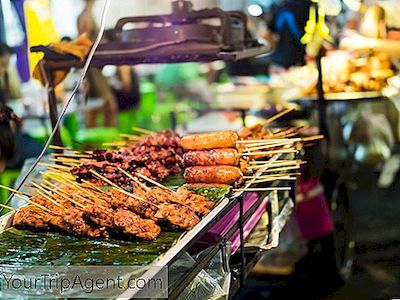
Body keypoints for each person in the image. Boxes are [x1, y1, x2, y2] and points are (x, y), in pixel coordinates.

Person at [77, 0, 118, 128]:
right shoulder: (84, 17)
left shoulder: (89, 15)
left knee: (108, 109)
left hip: (97, 70)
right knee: (101, 111)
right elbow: (83, 41)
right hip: (92, 71)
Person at [267, 0, 311, 69]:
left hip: (280, 60)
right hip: (302, 59)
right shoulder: (308, 5)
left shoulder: (279, 6)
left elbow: (268, 33)